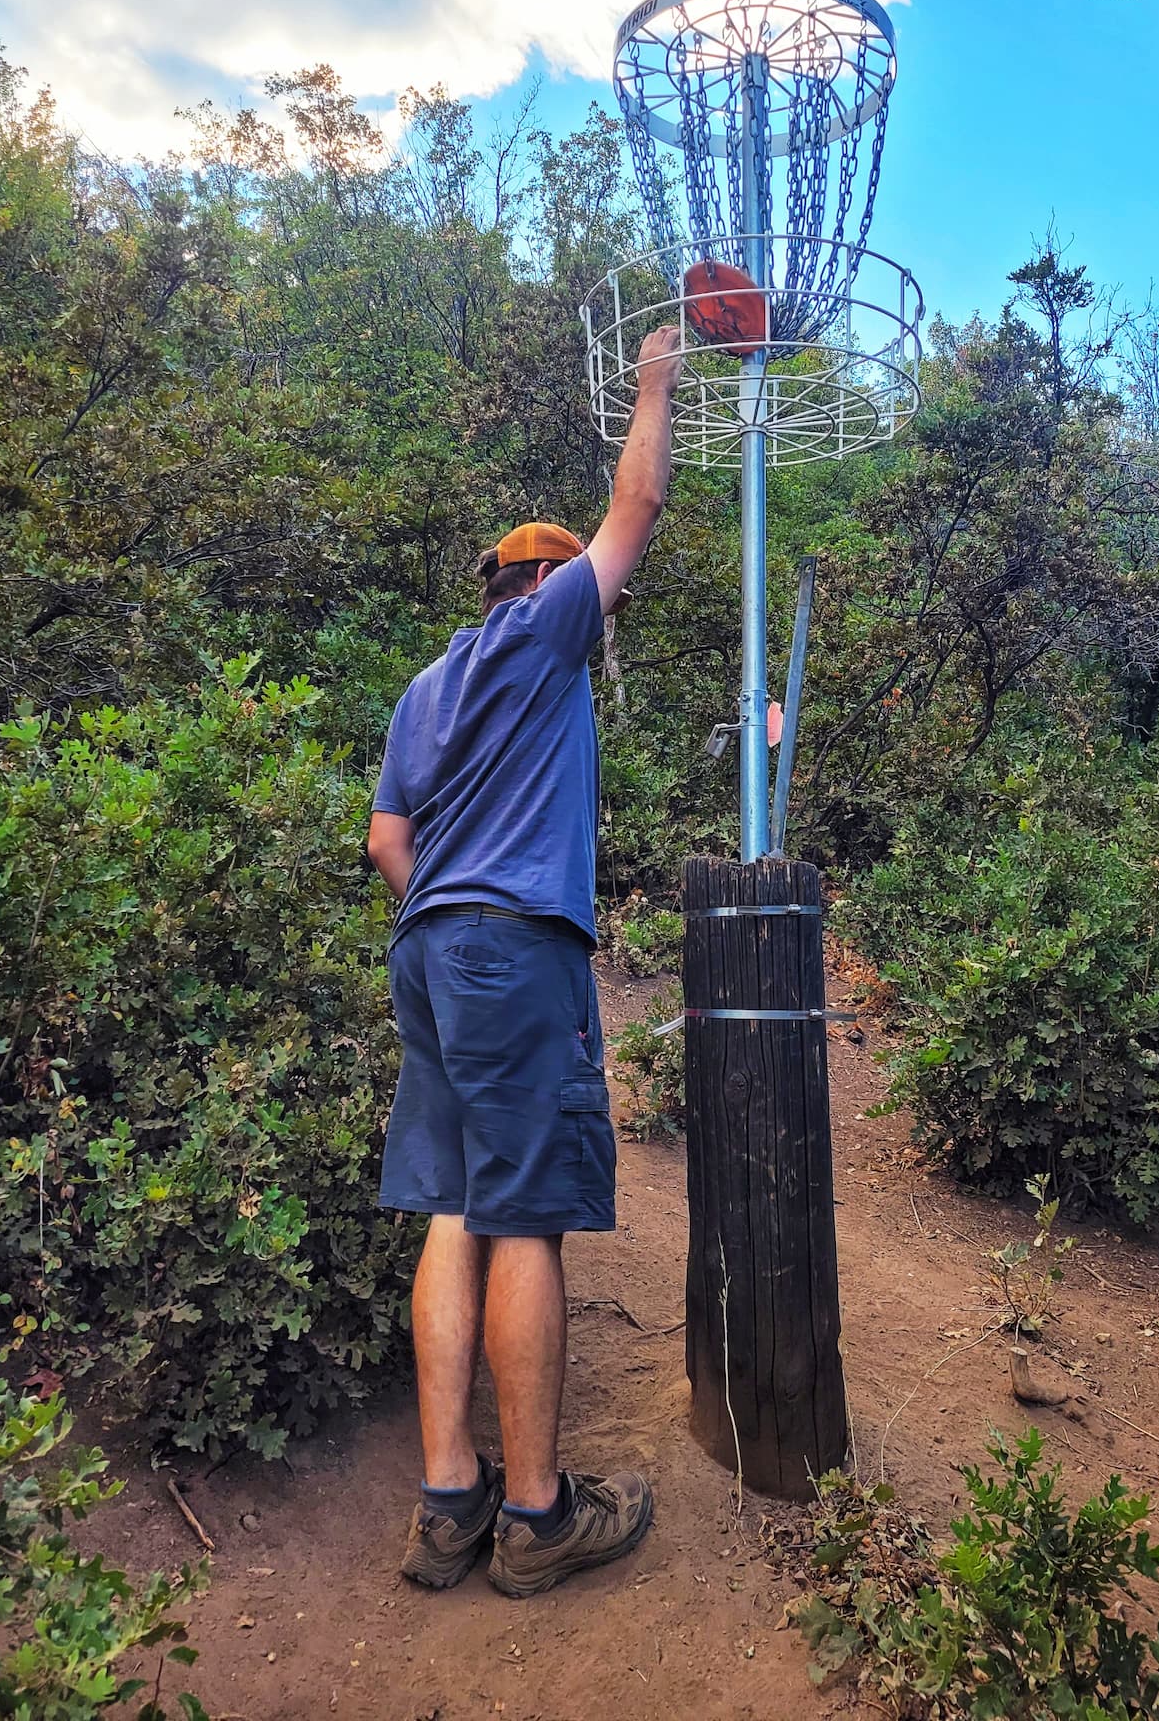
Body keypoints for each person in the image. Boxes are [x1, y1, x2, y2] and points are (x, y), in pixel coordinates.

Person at [367, 324, 682, 1599]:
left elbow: (386, 841)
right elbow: (636, 506)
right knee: (528, 1216)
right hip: (510, 953)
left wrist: (450, 923)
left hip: (430, 951)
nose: (601, 617)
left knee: (454, 1206)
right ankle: (540, 1518)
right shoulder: (545, 637)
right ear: (546, 587)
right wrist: (657, 383)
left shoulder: (424, 687)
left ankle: (451, 1503)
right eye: (589, 598)